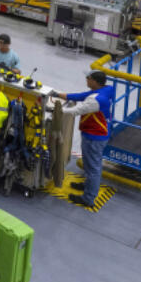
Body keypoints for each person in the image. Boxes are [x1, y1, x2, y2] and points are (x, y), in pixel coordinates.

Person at [51, 71, 115, 209]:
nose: (86, 79)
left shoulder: (95, 100)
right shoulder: (106, 89)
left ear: (95, 82)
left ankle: (88, 198)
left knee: (93, 168)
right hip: (96, 133)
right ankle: (87, 185)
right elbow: (81, 96)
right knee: (89, 163)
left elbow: (74, 111)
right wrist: (57, 94)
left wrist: (54, 110)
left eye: (89, 78)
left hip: (95, 137)